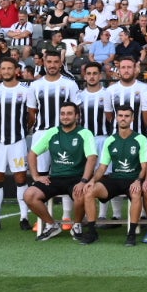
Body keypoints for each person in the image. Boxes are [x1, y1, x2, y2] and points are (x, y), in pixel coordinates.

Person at [74, 106, 147, 246]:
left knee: (136, 193)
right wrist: (92, 180)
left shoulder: (140, 139)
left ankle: (131, 234)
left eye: (127, 116)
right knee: (89, 191)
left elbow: (145, 166)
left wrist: (139, 181)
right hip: (115, 179)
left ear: (132, 119)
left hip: (133, 179)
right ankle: (92, 233)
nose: (123, 118)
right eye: (120, 115)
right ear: (116, 118)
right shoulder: (110, 140)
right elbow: (102, 167)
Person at [23, 103, 98, 240]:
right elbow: (32, 153)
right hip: (55, 178)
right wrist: (36, 176)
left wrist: (84, 181)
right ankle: (52, 225)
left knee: (81, 193)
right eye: (62, 114)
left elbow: (92, 158)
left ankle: (76, 225)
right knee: (29, 194)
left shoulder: (84, 133)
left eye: (69, 113)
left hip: (76, 177)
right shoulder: (52, 132)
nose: (65, 117)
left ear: (76, 116)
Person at [0, 57, 37, 230]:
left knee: (20, 177)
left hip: (18, 140)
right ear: (0, 71)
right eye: (3, 68)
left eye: (9, 68)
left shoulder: (26, 90)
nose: (6, 71)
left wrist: (21, 130)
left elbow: (31, 116)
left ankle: (23, 218)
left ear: (16, 71)